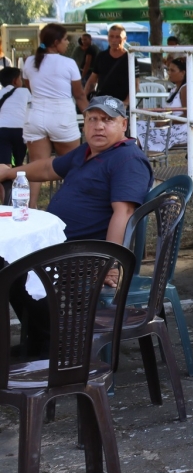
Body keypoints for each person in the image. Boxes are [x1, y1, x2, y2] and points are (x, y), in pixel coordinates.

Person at [0, 96, 153, 356]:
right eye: (93, 119)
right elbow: (48, 167)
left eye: (107, 120)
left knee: (10, 267)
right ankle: (43, 344)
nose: (99, 126)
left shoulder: (127, 159)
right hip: (59, 246)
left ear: (123, 124)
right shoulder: (87, 152)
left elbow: (124, 212)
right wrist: (9, 172)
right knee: (8, 262)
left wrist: (111, 263)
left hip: (84, 254)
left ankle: (53, 347)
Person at [21, 23, 89, 206]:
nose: (68, 43)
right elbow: (80, 95)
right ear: (56, 42)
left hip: (35, 115)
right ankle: (71, 206)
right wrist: (90, 117)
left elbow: (29, 87)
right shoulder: (68, 63)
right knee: (73, 165)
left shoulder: (29, 62)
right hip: (62, 115)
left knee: (36, 165)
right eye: (65, 39)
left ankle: (31, 208)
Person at [137, 57, 193, 154]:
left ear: (183, 73)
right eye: (168, 70)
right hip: (172, 125)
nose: (169, 73)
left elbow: (187, 116)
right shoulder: (175, 89)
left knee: (140, 130)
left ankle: (143, 156)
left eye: (172, 70)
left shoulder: (186, 89)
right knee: (138, 125)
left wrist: (166, 122)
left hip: (182, 130)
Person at [86, 24, 131, 105]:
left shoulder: (130, 58)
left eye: (118, 37)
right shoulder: (101, 56)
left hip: (121, 103)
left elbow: (135, 85)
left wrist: (126, 102)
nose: (114, 40)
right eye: (111, 36)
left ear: (124, 39)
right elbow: (92, 81)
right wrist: (84, 101)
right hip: (102, 102)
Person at [0, 67, 30, 167]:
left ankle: (5, 176)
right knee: (19, 163)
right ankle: (18, 175)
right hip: (20, 130)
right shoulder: (25, 92)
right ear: (15, 81)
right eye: (20, 78)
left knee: (4, 163)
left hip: (2, 130)